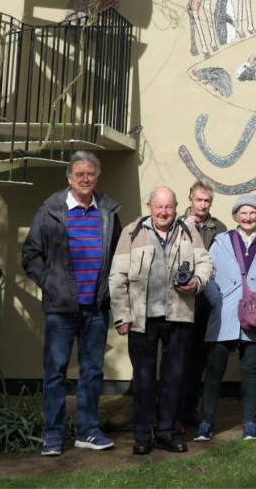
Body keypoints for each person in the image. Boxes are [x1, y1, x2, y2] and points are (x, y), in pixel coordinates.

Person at [22, 151, 122, 456]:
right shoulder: (50, 211)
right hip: (61, 309)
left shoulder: (108, 212)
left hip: (95, 308)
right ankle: (52, 435)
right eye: (79, 174)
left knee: (92, 372)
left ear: (97, 177)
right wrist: (52, 286)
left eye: (91, 174)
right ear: (69, 178)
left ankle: (88, 431)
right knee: (55, 373)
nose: (85, 179)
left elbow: (118, 256)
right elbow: (30, 256)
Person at [109, 186, 213, 455]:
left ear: (176, 207)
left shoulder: (189, 231)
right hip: (142, 319)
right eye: (158, 206)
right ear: (149, 206)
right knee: (143, 379)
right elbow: (117, 277)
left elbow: (205, 263)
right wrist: (122, 316)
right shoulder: (132, 233)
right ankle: (143, 434)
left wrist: (197, 282)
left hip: (178, 316)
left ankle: (166, 432)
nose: (163, 212)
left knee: (173, 378)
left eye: (168, 207)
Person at [194, 194, 256, 442]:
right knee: (214, 372)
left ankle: (250, 423)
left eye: (253, 213)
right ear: (236, 216)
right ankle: (206, 423)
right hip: (224, 314)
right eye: (243, 213)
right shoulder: (221, 241)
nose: (248, 217)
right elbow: (206, 272)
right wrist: (216, 300)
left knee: (251, 372)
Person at [179, 182, 227, 429]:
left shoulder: (219, 228)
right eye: (198, 200)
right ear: (190, 200)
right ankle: (173, 412)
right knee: (177, 359)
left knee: (198, 358)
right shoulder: (177, 224)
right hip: (179, 301)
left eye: (207, 201)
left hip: (206, 303)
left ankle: (188, 409)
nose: (202, 205)